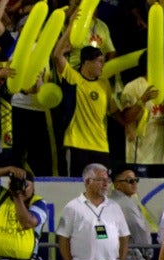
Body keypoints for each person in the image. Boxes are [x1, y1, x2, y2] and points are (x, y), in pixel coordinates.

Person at [54, 21, 119, 177]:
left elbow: (112, 111)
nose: (102, 66)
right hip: (77, 144)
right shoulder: (74, 78)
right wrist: (70, 27)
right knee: (76, 188)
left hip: (101, 146)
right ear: (86, 62)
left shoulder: (104, 84)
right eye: (99, 62)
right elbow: (57, 55)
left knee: (103, 188)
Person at [56, 163, 129, 260]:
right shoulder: (72, 207)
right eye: (101, 180)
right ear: (88, 182)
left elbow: (124, 237)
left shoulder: (115, 207)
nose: (106, 184)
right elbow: (63, 239)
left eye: (107, 180)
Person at [0, 166, 48, 260]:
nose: (22, 189)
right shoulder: (1, 196)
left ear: (33, 187)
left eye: (25, 185)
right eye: (17, 184)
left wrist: (16, 196)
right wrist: (6, 170)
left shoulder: (38, 203)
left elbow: (27, 223)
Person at [108, 166, 153, 260]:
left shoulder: (110, 201)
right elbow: (139, 232)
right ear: (117, 185)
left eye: (136, 180)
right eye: (130, 181)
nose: (134, 184)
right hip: (132, 257)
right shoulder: (126, 205)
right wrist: (148, 252)